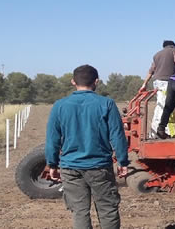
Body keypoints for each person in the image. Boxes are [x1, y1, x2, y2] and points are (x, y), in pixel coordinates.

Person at [45, 64, 129, 229]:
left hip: (70, 168)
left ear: (73, 82)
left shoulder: (60, 106)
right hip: (100, 167)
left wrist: (52, 164)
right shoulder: (107, 104)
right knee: (108, 209)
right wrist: (122, 161)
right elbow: (117, 135)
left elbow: (52, 139)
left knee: (79, 211)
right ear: (96, 81)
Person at [140, 40, 175, 138]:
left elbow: (151, 71)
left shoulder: (157, 55)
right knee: (165, 106)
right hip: (167, 82)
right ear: (173, 45)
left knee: (161, 105)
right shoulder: (174, 50)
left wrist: (144, 84)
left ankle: (156, 132)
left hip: (157, 82)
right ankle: (159, 132)